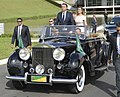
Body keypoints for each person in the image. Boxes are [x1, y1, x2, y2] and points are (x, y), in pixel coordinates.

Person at [108, 23, 120, 97]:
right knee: (119, 76)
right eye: (117, 30)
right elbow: (110, 48)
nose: (118, 32)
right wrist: (109, 58)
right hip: (117, 58)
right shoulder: (113, 37)